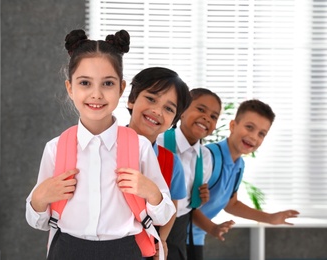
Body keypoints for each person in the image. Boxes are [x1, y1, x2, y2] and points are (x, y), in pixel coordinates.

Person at [25, 29, 175, 260]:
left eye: (107, 83)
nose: (96, 94)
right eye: (85, 83)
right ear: (70, 88)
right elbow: (39, 222)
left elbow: (163, 215)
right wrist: (39, 199)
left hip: (125, 251)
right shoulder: (55, 148)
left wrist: (152, 193)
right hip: (66, 250)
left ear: (121, 89)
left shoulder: (140, 147)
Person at [187, 99, 300, 260]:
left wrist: (269, 218)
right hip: (176, 236)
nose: (254, 136)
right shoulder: (208, 157)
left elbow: (231, 204)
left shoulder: (239, 165)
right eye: (249, 127)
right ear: (233, 126)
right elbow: (185, 204)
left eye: (261, 134)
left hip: (196, 237)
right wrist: (213, 228)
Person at [126, 67, 193, 259]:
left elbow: (172, 208)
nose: (157, 111)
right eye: (151, 99)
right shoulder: (104, 147)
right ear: (131, 100)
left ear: (174, 122)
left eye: (169, 108)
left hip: (143, 250)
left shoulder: (171, 163)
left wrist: (161, 239)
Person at [156, 88, 221, 260]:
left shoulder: (205, 157)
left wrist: (199, 199)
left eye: (214, 116)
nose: (207, 117)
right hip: (153, 223)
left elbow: (189, 202)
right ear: (182, 111)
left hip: (179, 226)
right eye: (201, 109)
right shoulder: (158, 141)